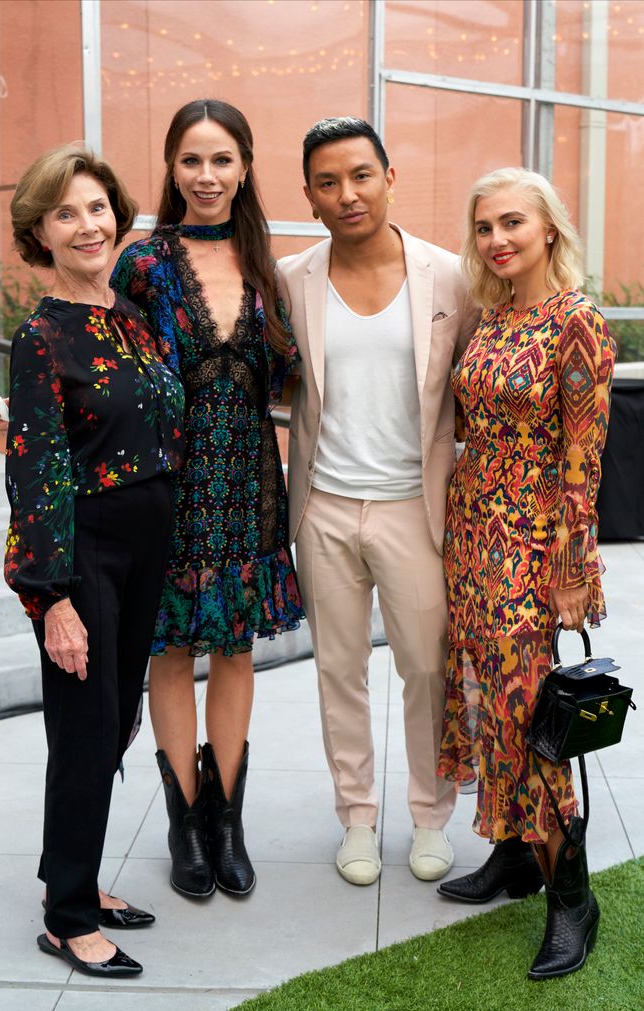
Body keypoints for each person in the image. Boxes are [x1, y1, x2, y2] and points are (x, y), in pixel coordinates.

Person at [276, 117, 479, 886]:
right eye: (327, 182)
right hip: (324, 503)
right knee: (339, 669)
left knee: (427, 669)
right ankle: (357, 817)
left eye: (361, 175)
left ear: (390, 177)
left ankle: (430, 815)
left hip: (414, 508)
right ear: (309, 195)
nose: (346, 194)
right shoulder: (292, 279)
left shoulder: (450, 277)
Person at [111, 100, 304, 899]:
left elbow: (288, 377)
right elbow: (114, 374)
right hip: (172, 486)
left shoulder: (268, 264)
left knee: (234, 648)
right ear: (171, 167)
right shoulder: (143, 264)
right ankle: (185, 819)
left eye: (222, 159)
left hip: (250, 484)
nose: (207, 176)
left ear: (246, 166)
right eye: (191, 160)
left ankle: (227, 819)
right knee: (171, 648)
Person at [4, 145, 185, 976]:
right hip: (86, 553)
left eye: (98, 207)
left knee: (111, 723)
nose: (88, 224)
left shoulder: (133, 317)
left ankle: (66, 872)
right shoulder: (41, 337)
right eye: (66, 212)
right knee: (83, 733)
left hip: (146, 546)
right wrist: (54, 600)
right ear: (40, 231)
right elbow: (36, 470)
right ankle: (67, 914)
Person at [436, 167, 616, 980]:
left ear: (549, 229)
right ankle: (512, 853)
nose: (497, 239)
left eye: (512, 223)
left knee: (528, 716)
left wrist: (574, 566)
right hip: (472, 533)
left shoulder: (577, 322)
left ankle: (572, 898)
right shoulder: (497, 315)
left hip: (531, 543)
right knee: (483, 696)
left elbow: (586, 457)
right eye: (483, 228)